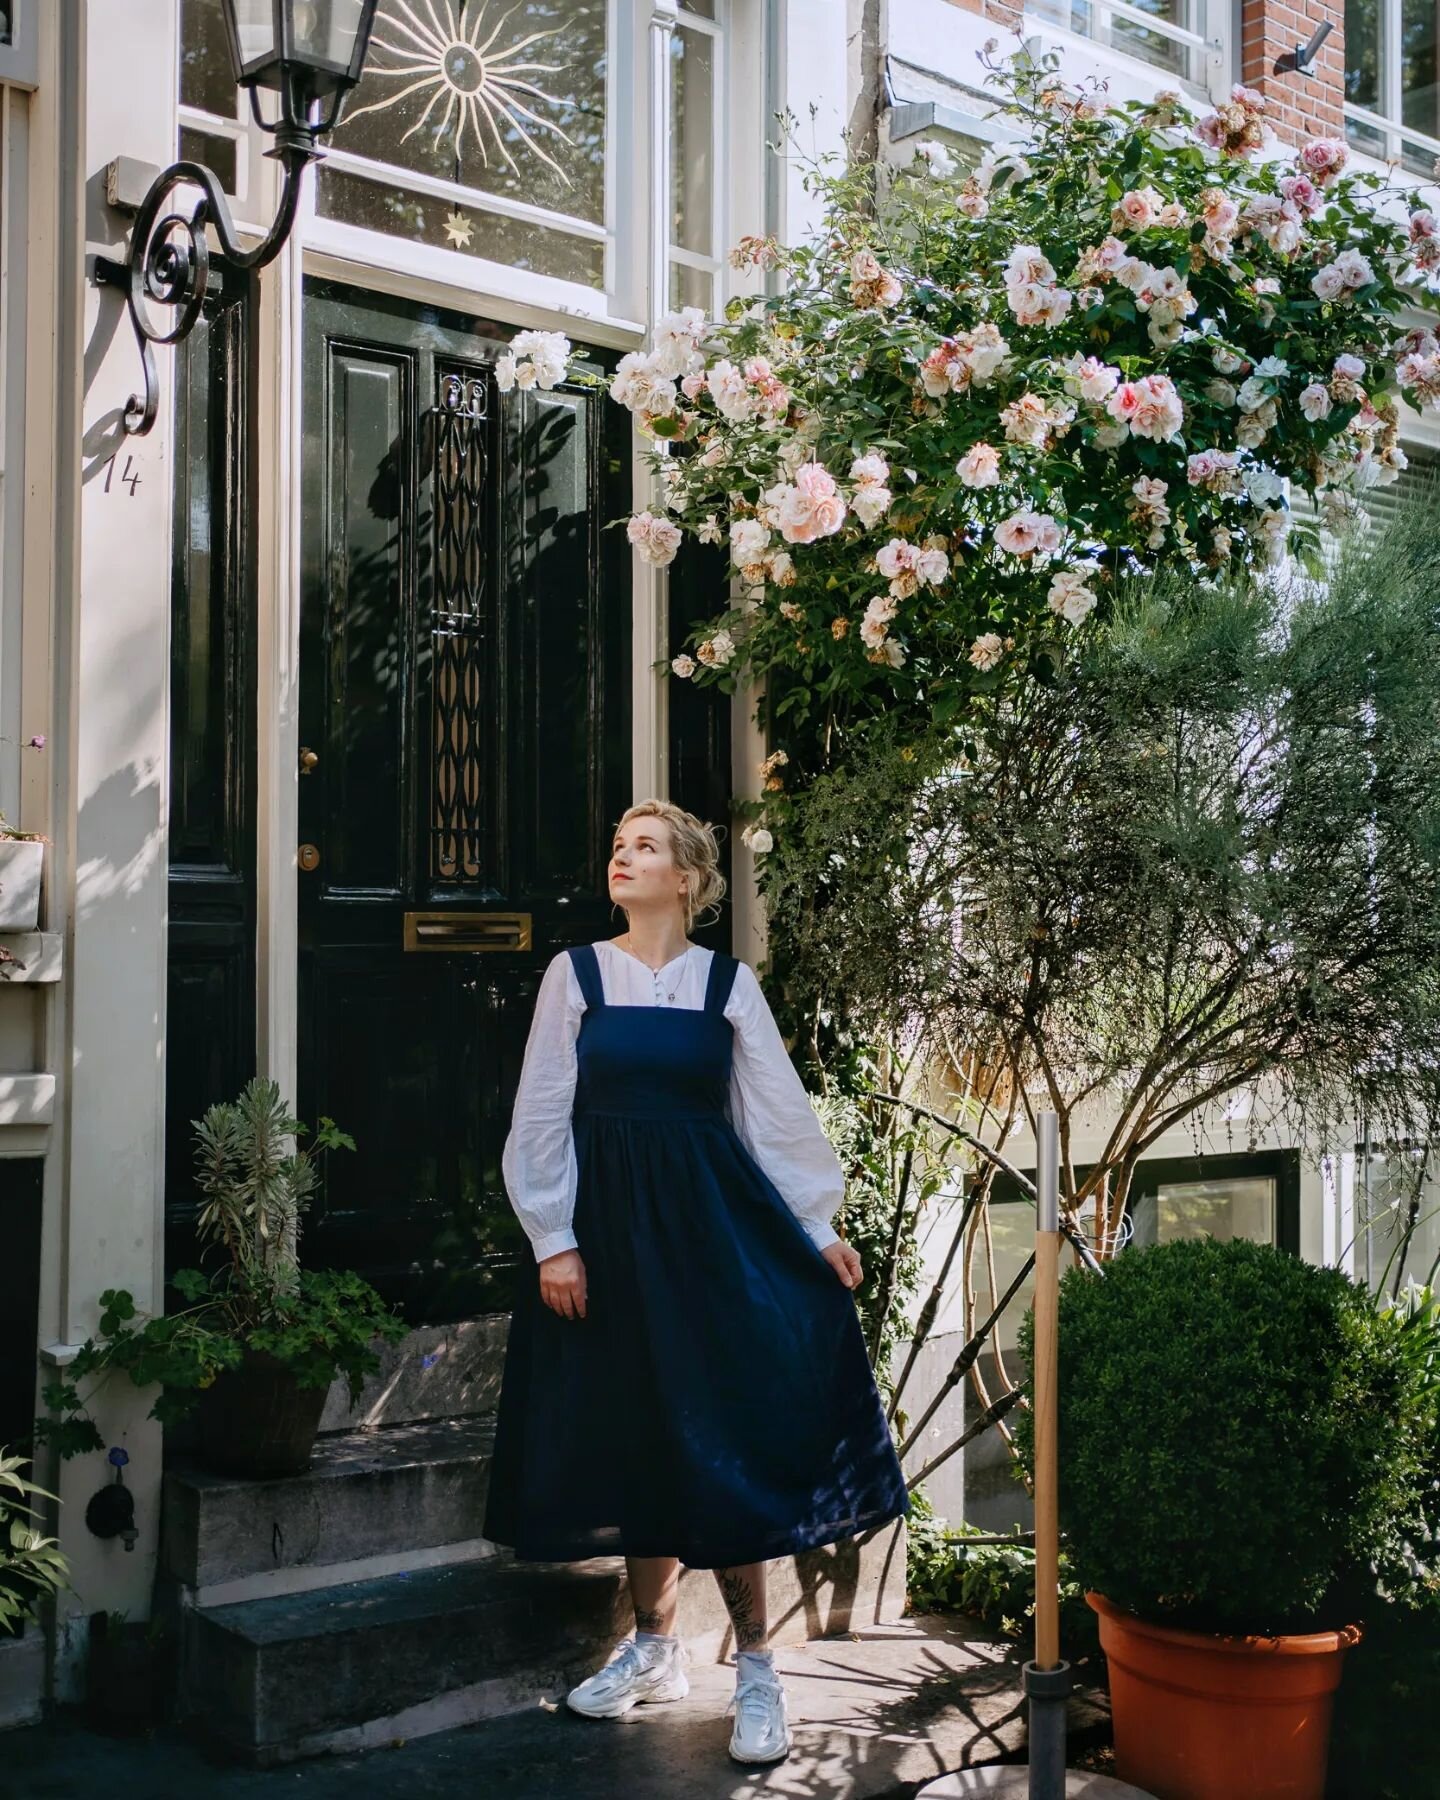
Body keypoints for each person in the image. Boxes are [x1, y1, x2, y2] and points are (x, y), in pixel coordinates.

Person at [482, 798, 910, 1766]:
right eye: (616, 846)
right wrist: (554, 1238)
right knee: (641, 1433)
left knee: (715, 1433)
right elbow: (542, 1108)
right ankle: (655, 1648)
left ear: (688, 878)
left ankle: (757, 1667)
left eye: (644, 847)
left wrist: (816, 1228)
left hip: (707, 1235)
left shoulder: (726, 987)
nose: (621, 859)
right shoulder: (575, 976)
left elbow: (773, 1113)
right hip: (608, 1243)